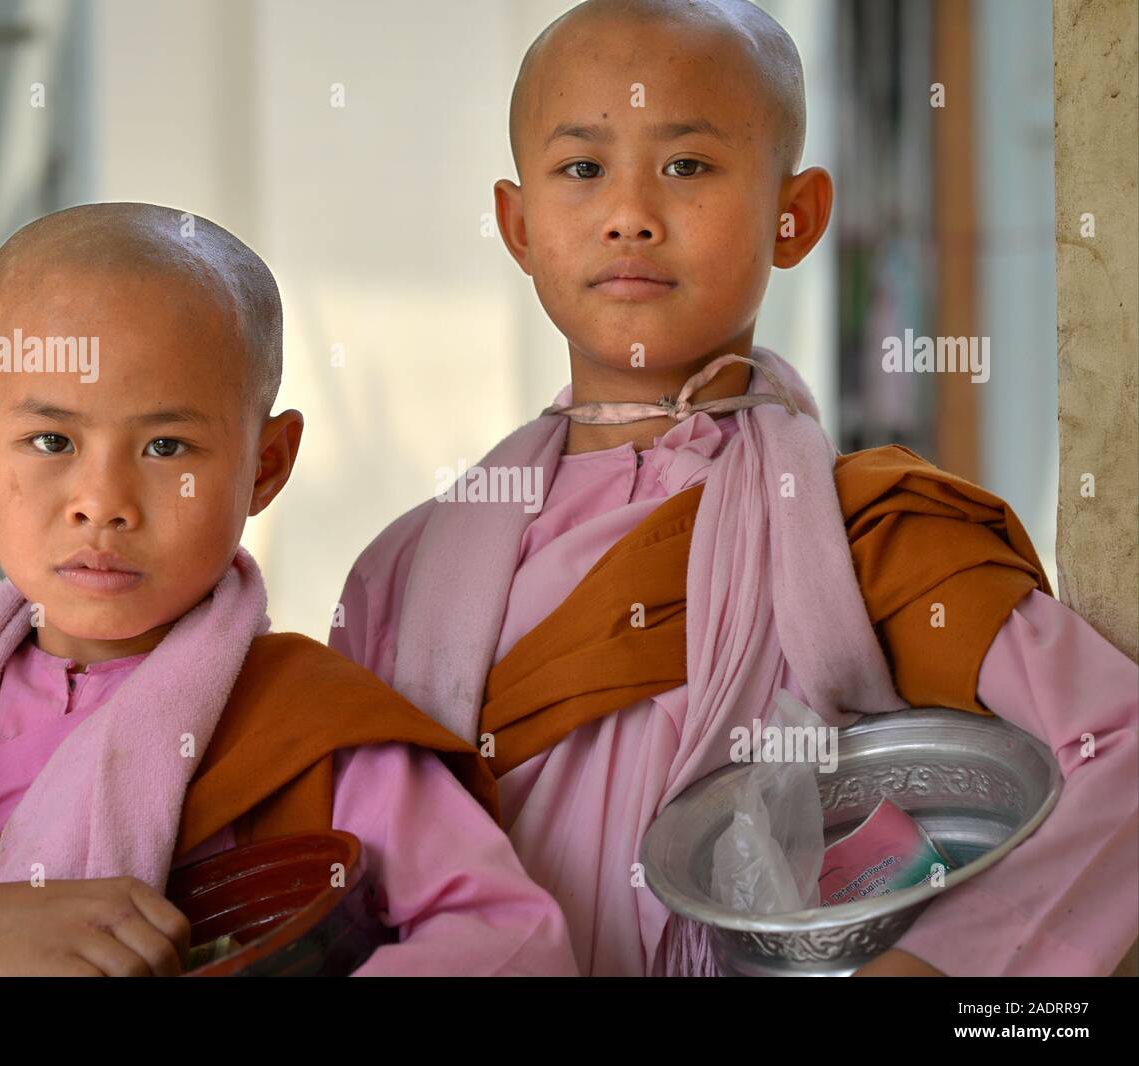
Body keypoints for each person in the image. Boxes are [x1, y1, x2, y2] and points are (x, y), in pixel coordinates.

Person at [330, 0, 1139, 976]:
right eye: (582, 168)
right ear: (519, 225)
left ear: (792, 217)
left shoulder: (868, 534)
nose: (629, 210)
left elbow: (1116, 747)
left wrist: (944, 966)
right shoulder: (403, 572)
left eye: (687, 165)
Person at [0, 202, 578, 978]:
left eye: (166, 446)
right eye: (52, 440)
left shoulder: (309, 729)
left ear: (265, 466)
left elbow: (512, 940)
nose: (103, 501)